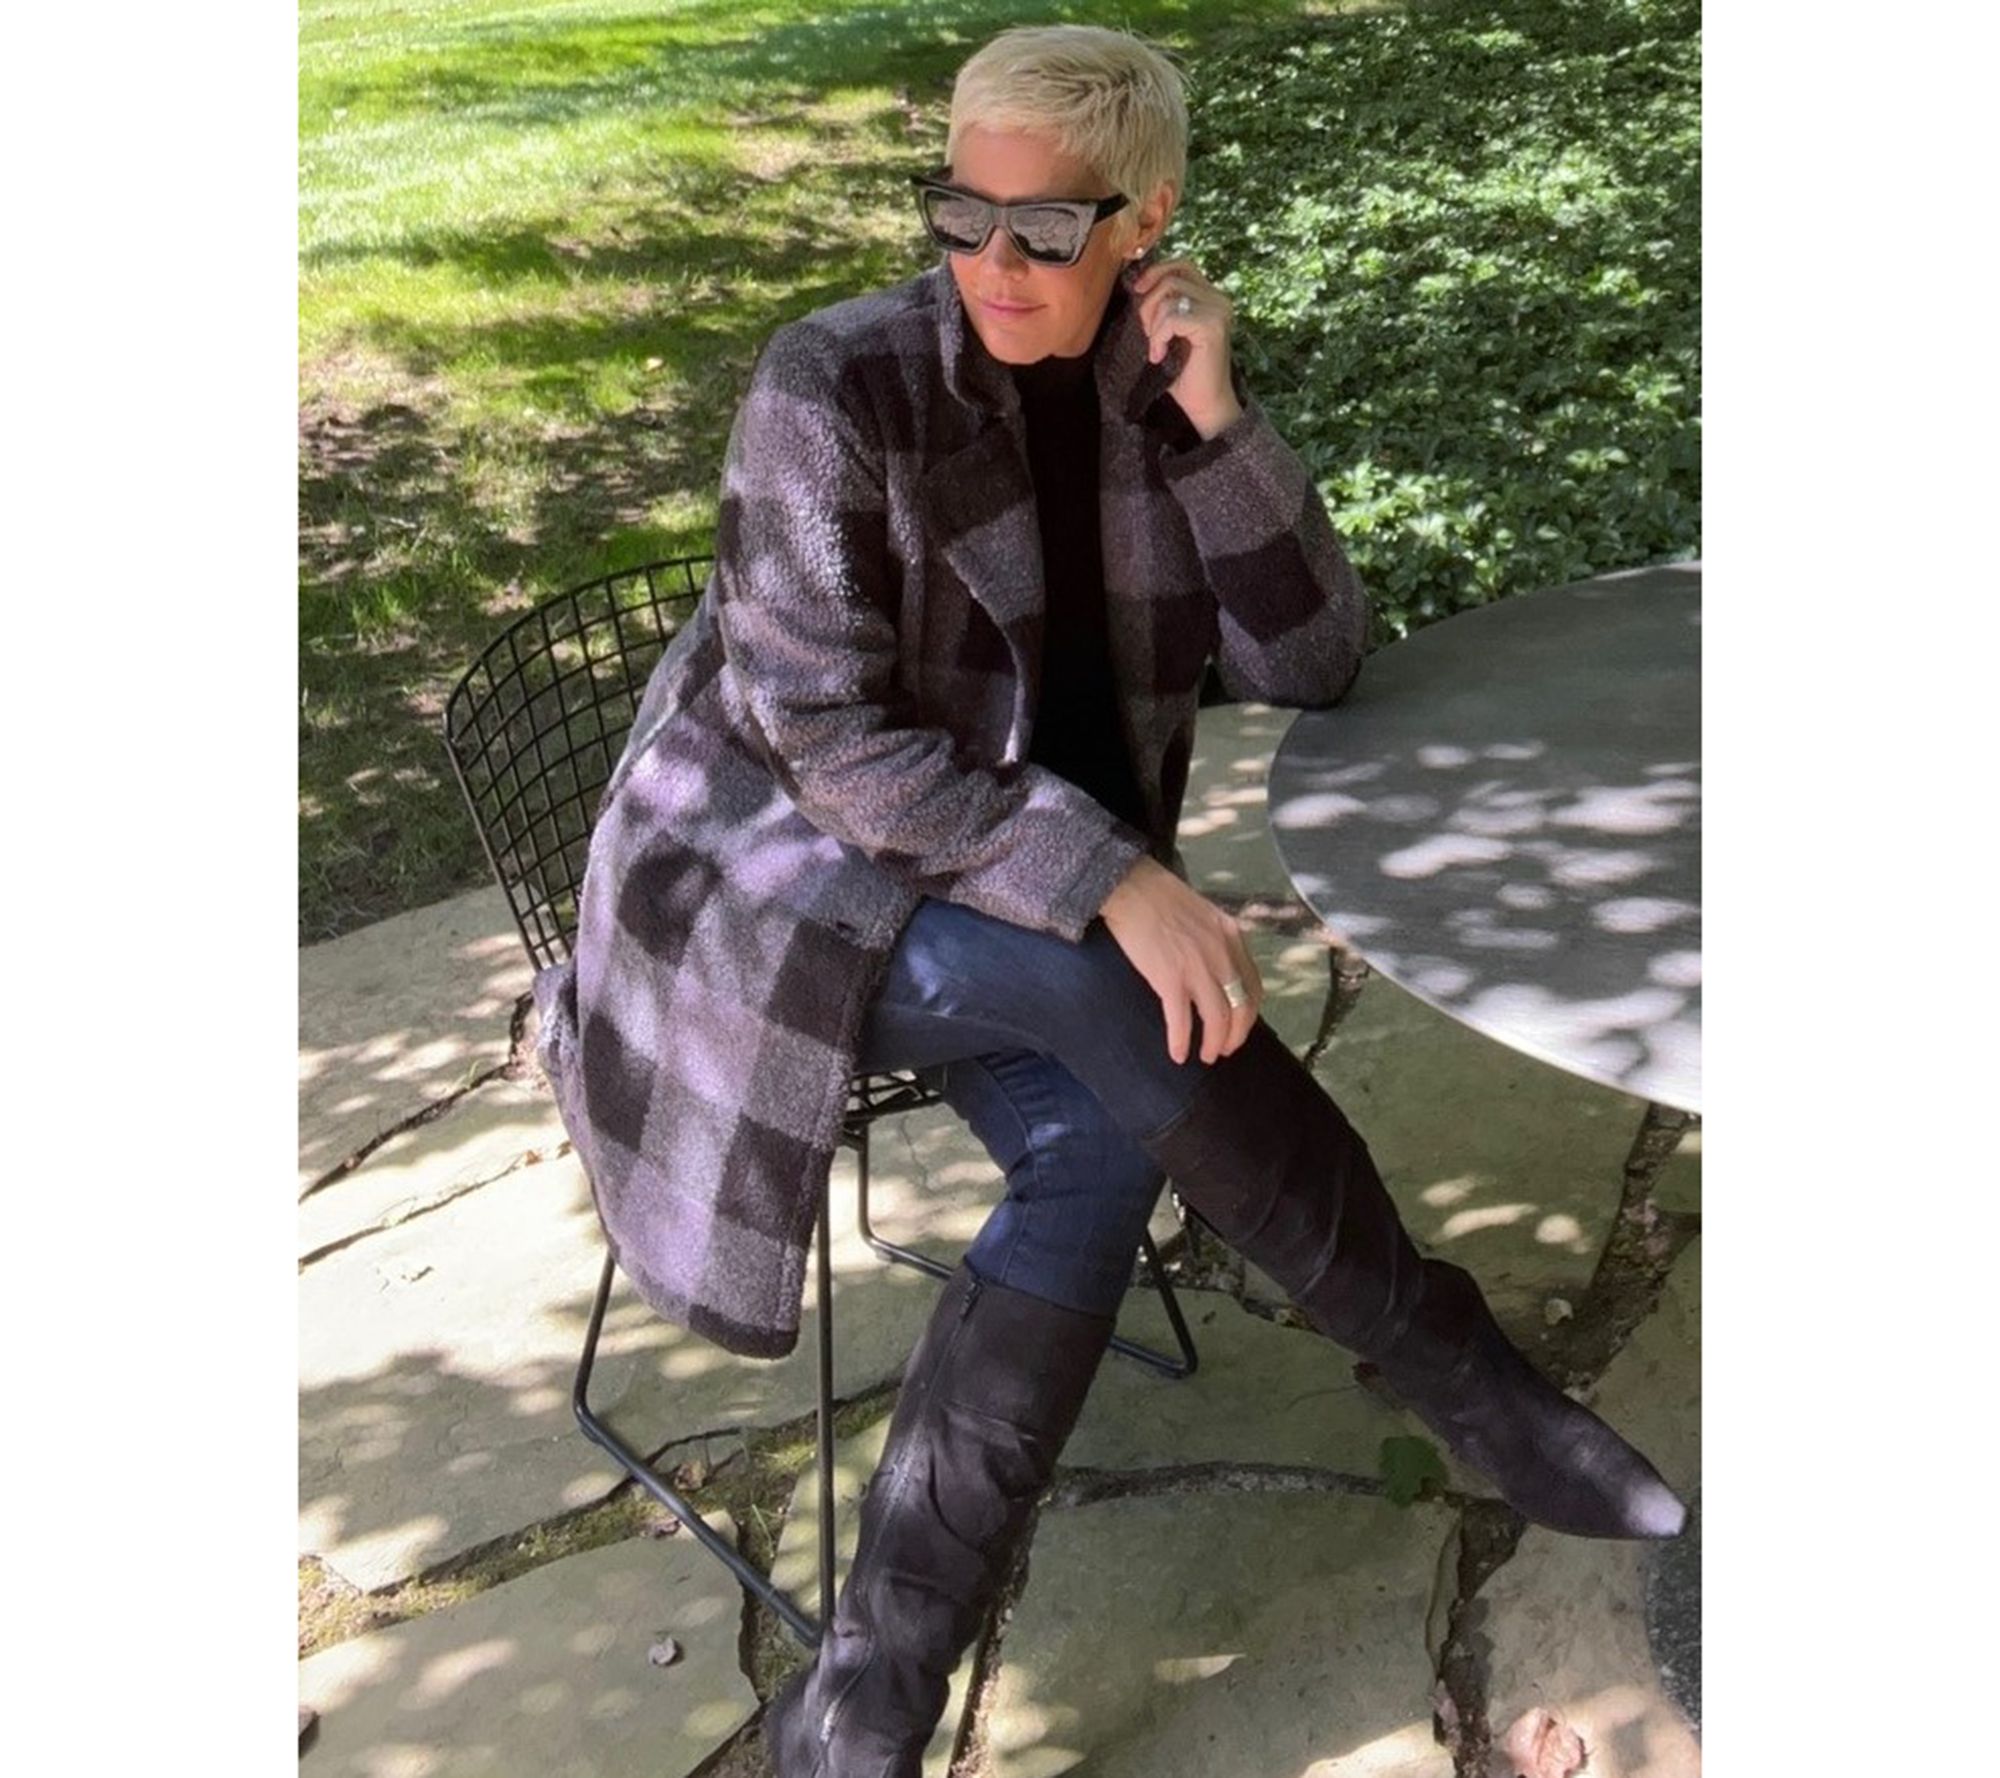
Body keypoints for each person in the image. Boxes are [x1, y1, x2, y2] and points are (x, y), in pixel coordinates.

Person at [530, 24, 1688, 1778]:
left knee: (1095, 1148)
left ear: (1144, 222)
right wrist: (1111, 875)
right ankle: (1449, 1362)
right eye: (961, 213)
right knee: (1110, 984)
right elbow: (820, 736)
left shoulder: (1156, 382)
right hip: (765, 882)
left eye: (1046, 227)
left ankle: (868, 1693)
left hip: (985, 882)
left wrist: (1221, 422)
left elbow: (1315, 659)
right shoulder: (834, 386)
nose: (994, 262)